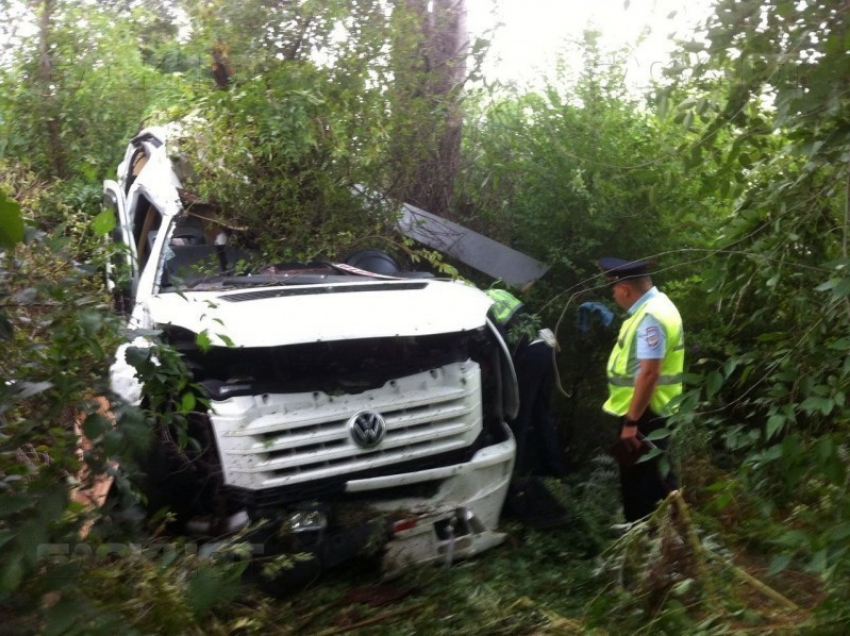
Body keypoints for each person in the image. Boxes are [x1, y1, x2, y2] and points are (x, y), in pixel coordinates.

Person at [598, 257, 684, 522]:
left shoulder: (650, 319)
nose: (614, 296)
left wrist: (631, 422)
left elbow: (649, 373)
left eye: (613, 290)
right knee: (657, 478)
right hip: (653, 410)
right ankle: (673, 538)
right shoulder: (660, 307)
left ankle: (650, 543)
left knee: (643, 486)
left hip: (645, 413)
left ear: (625, 289)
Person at [485, 289, 568, 479]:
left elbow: (499, 343)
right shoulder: (498, 292)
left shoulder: (478, 304)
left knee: (518, 415)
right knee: (541, 413)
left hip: (531, 355)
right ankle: (555, 469)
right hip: (546, 346)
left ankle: (511, 474)